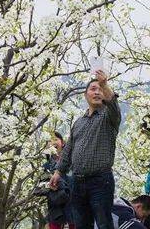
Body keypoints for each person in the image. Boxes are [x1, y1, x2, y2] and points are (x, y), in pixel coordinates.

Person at [50, 69, 121, 229]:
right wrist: (58, 172)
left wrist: (104, 84)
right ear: (85, 95)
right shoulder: (79, 122)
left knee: (104, 224)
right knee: (81, 224)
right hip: (77, 181)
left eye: (100, 89)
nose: (97, 92)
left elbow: (114, 107)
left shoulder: (108, 118)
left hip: (101, 181)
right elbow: (68, 150)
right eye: (93, 89)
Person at [42, 131, 76, 229]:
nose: (53, 142)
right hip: (56, 204)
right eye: (50, 141)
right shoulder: (47, 165)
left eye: (55, 139)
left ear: (62, 142)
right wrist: (49, 186)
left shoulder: (72, 160)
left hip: (72, 201)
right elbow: (42, 186)